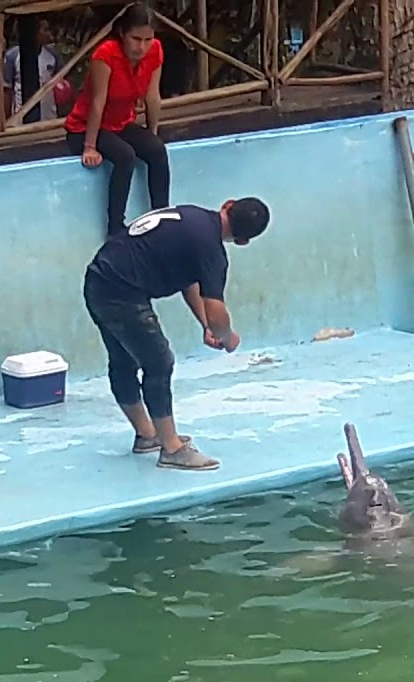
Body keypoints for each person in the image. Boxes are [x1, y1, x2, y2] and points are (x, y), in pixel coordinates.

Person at [81, 197, 272, 471]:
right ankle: (172, 449)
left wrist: (205, 324)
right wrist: (227, 337)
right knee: (159, 363)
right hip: (122, 294)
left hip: (98, 280)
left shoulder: (191, 217)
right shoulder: (212, 251)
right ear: (243, 241)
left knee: (123, 361)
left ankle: (147, 435)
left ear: (228, 205)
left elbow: (189, 280)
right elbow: (217, 311)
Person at [64, 3, 170, 236]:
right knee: (125, 156)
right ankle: (115, 228)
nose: (141, 47)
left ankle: (161, 216)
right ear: (122, 33)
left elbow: (152, 96)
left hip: (120, 123)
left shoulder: (155, 51)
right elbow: (97, 102)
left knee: (157, 150)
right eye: (136, 39)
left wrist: (151, 133)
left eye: (147, 39)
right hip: (86, 127)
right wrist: (90, 146)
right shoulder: (106, 54)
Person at [2, 19, 65, 121]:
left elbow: (62, 86)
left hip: (49, 118)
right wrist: (7, 119)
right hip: (20, 119)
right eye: (45, 30)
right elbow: (7, 90)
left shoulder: (53, 55)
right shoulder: (13, 56)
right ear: (35, 33)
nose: (49, 34)